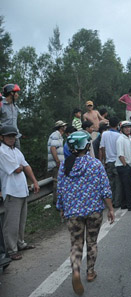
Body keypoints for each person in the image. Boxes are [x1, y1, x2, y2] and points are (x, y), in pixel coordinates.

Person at [56, 131, 114, 295]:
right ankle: (90, 272)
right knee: (92, 242)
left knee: (76, 244)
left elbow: (60, 190)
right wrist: (110, 209)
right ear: (86, 146)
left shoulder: (64, 165)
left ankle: (75, 271)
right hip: (94, 211)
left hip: (73, 213)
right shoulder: (95, 164)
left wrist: (61, 208)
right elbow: (105, 189)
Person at [0, 126, 40, 261]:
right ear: (2, 137)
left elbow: (26, 166)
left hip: (22, 190)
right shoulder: (2, 152)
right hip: (11, 191)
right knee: (11, 223)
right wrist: (21, 167)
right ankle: (11, 250)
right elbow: (17, 169)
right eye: (8, 136)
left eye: (13, 136)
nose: (11, 138)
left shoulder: (16, 151)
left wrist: (34, 181)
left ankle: (20, 243)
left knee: (21, 221)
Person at [99, 117, 122, 208]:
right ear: (117, 125)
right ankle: (117, 202)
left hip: (108, 161)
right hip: (117, 161)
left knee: (110, 182)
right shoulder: (119, 135)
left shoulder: (104, 134)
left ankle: (110, 201)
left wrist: (104, 159)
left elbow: (102, 148)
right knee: (118, 182)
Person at [48, 120, 67, 205]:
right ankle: (56, 202)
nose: (65, 127)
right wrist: (57, 161)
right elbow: (53, 148)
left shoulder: (59, 136)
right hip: (56, 164)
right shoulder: (55, 135)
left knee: (59, 182)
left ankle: (59, 201)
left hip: (58, 163)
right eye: (64, 126)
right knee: (57, 182)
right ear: (61, 127)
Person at [1, 84, 22, 148]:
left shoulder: (16, 107)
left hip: (15, 136)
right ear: (11, 93)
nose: (17, 95)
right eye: (16, 93)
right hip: (5, 136)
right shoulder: (1, 105)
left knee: (18, 155)